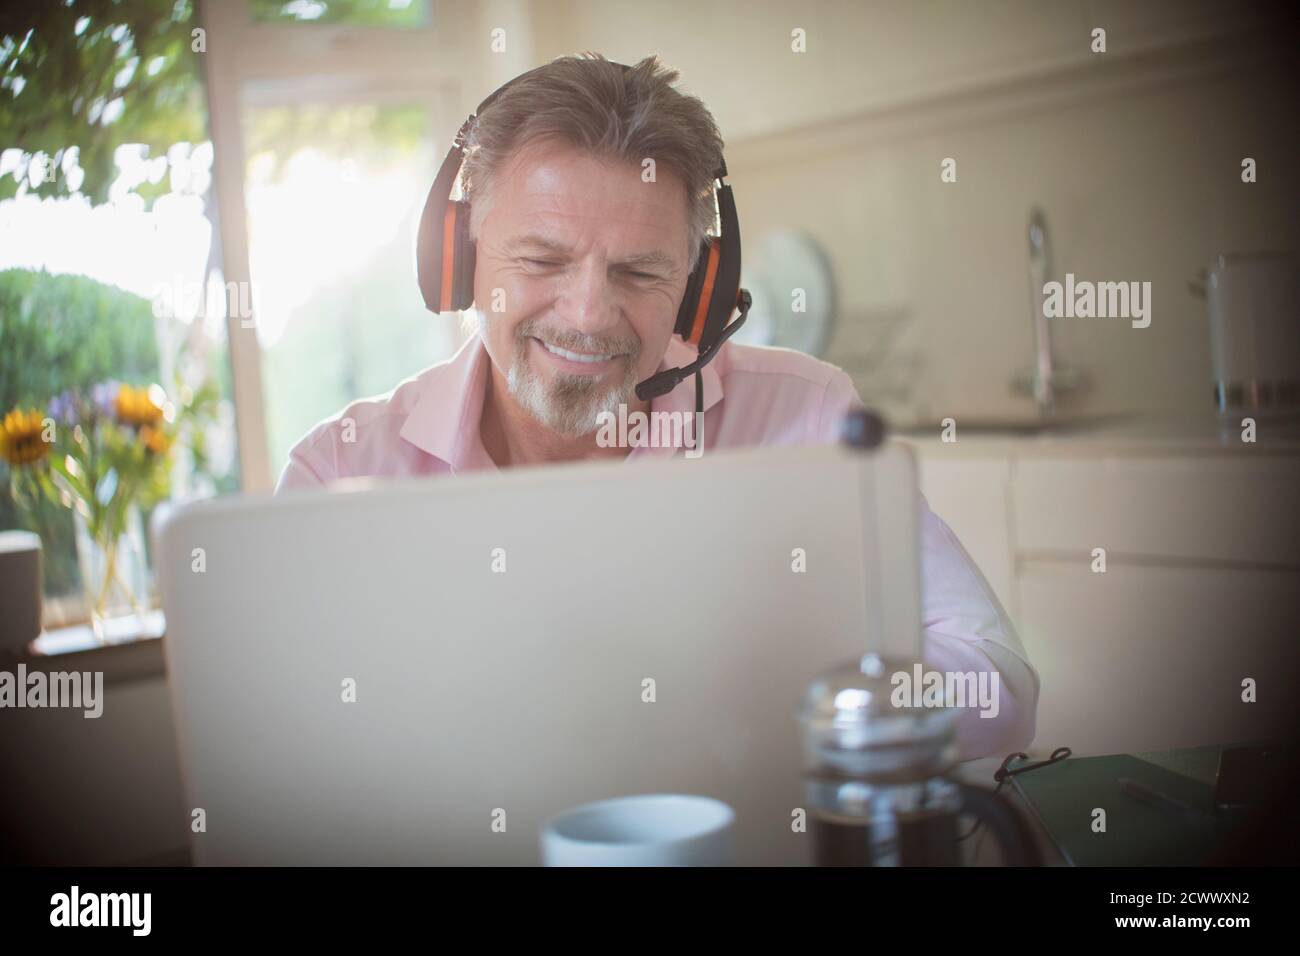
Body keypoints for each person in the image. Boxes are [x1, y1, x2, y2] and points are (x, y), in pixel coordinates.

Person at [276, 53, 1038, 761]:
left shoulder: (806, 420)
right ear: (460, 263)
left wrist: (757, 689)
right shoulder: (339, 468)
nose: (586, 314)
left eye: (639, 273)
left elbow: (994, 683)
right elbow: (287, 746)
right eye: (543, 260)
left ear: (699, 294)